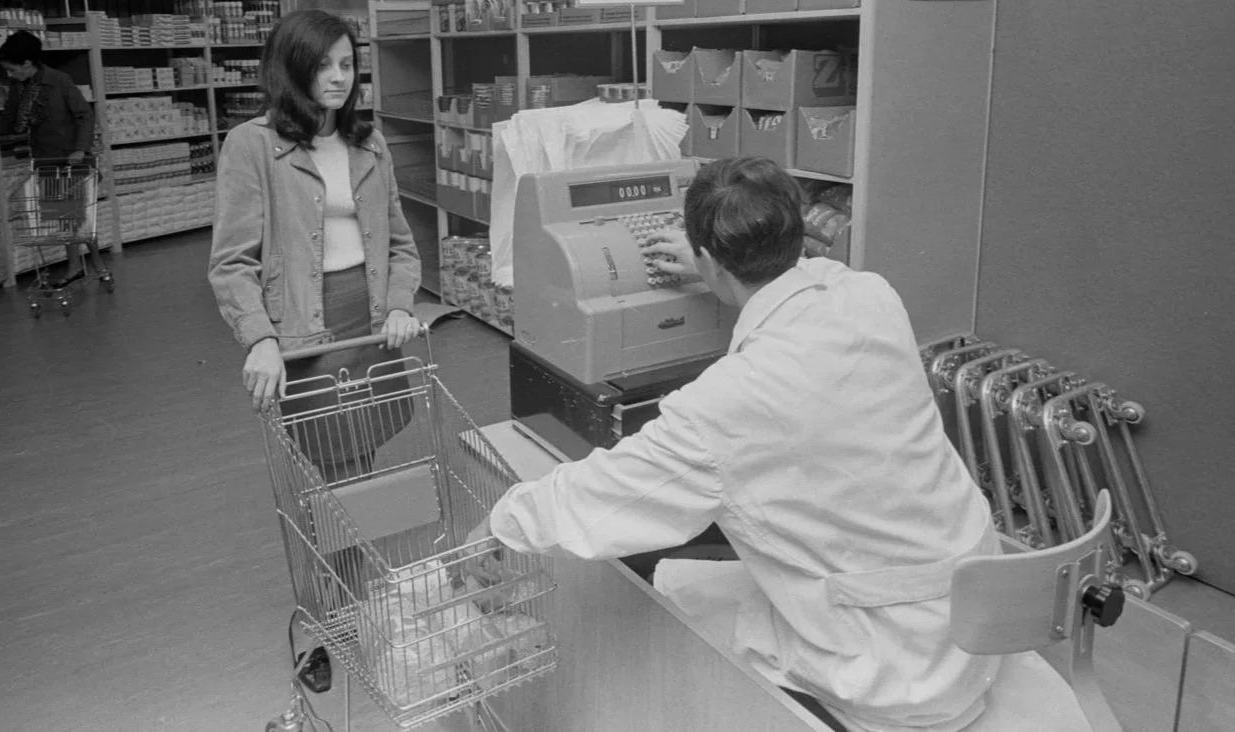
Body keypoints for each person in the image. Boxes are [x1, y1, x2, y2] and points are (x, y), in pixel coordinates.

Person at [463, 157, 1002, 732]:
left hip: (895, 665)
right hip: (974, 610)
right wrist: (717, 276)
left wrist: (503, 523)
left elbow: (604, 497)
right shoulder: (870, 294)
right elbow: (812, 278)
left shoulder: (726, 403)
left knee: (662, 582)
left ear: (708, 257)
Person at [207, 9, 423, 481]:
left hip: (372, 325)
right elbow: (231, 263)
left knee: (361, 456)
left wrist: (400, 305)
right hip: (307, 329)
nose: (338, 77)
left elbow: (400, 246)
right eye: (323, 65)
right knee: (335, 461)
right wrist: (261, 338)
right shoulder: (252, 145)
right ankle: (343, 553)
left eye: (346, 65)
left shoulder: (370, 144)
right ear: (293, 67)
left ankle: (348, 549)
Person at [0, 30, 104, 288]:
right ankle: (75, 267)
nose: (10, 75)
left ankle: (99, 265)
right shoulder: (18, 87)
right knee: (62, 216)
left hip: (73, 159)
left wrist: (80, 149)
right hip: (45, 158)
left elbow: (85, 116)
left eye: (12, 70)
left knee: (80, 217)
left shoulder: (60, 82)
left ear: (27, 63)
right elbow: (10, 120)